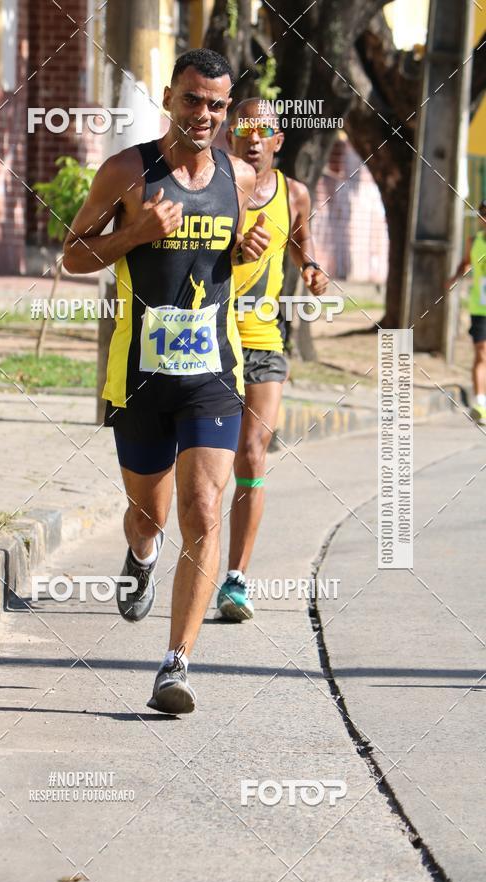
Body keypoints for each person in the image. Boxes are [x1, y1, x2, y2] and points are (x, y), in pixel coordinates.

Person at [63, 49, 270, 714]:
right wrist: (138, 233)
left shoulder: (240, 178)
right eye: (192, 100)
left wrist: (244, 254)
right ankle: (142, 556)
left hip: (214, 372)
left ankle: (175, 664)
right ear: (168, 97)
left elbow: (225, 265)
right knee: (148, 514)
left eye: (216, 104)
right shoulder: (128, 170)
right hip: (141, 376)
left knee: (204, 510)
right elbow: (72, 255)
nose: (204, 115)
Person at [215, 98, 328, 622]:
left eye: (264, 131)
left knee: (253, 452)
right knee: (204, 465)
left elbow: (301, 244)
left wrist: (312, 270)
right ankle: (150, 547)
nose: (253, 139)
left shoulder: (294, 193)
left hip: (263, 338)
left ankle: (236, 578)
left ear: (278, 141)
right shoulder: (214, 184)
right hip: (208, 335)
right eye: (244, 130)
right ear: (229, 136)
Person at [446, 199, 486, 424]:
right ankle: (480, 403)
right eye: (483, 214)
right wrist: (454, 278)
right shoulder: (475, 241)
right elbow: (466, 263)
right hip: (480, 307)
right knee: (481, 352)